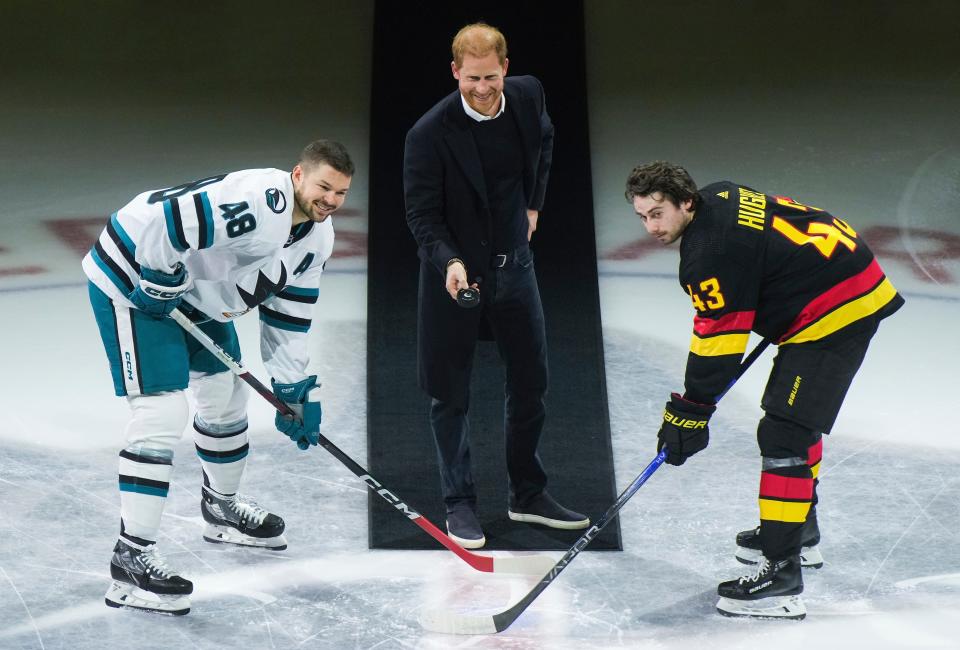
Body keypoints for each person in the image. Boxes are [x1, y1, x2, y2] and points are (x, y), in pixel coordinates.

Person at [83, 139, 354, 615]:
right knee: (161, 410)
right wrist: (157, 277)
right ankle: (130, 556)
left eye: (340, 193)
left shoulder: (317, 238)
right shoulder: (259, 201)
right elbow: (172, 222)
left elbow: (288, 317)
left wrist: (294, 390)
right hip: (134, 277)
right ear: (298, 176)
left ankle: (220, 506)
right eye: (323, 186)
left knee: (228, 395)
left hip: (194, 293)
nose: (329, 200)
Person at [624, 161, 904, 620]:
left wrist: (690, 411)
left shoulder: (707, 255)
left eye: (657, 213)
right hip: (840, 277)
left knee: (784, 433)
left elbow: (718, 343)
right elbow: (762, 258)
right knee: (793, 421)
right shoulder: (721, 194)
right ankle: (797, 531)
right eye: (642, 216)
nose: (650, 226)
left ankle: (781, 575)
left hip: (838, 308)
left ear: (686, 202)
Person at [403, 22, 589, 549]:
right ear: (454, 71)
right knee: (449, 393)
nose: (481, 89)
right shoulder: (428, 134)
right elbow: (421, 216)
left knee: (531, 382)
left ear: (505, 69)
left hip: (516, 267)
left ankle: (527, 494)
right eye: (470, 79)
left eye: (490, 77)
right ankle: (459, 504)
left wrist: (533, 205)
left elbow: (546, 142)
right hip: (455, 275)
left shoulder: (528, 96)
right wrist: (450, 262)